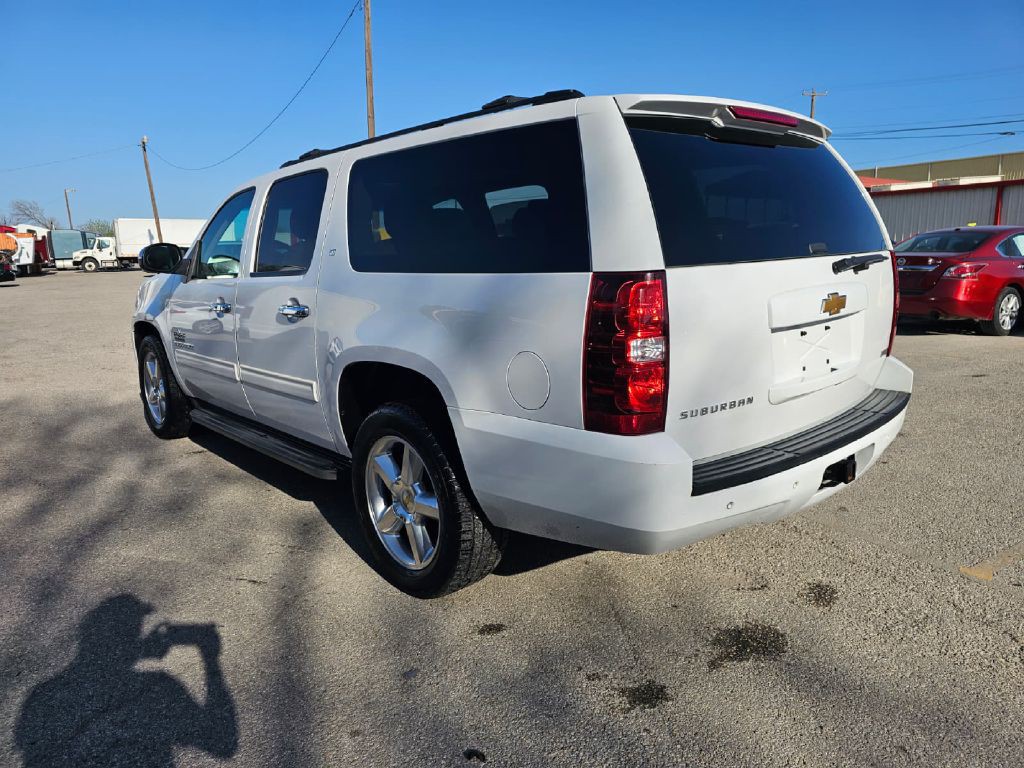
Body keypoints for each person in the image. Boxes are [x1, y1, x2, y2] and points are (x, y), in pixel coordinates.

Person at [14, 595, 238, 767]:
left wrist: (137, 652)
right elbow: (222, 742)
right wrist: (210, 658)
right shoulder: (158, 690)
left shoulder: (44, 695)